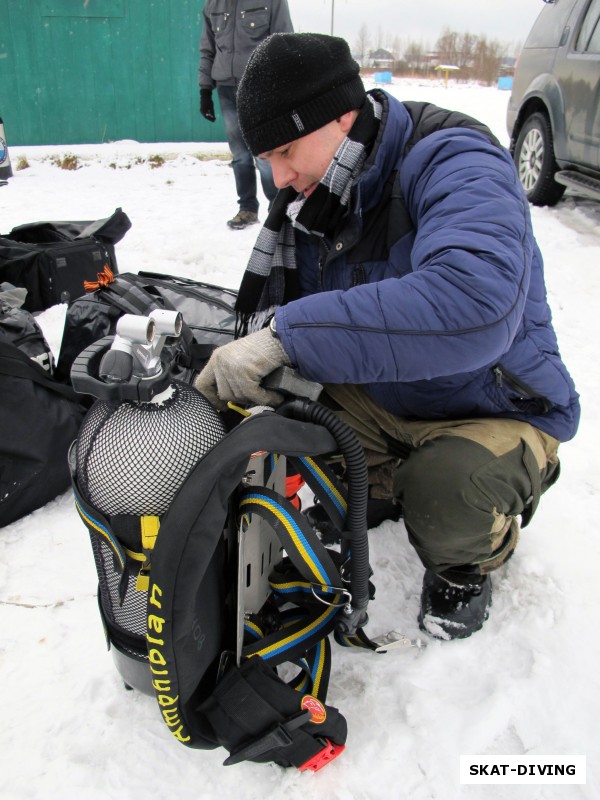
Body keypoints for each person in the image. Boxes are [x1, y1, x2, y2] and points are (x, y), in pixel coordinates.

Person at [195, 33, 580, 640]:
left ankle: (475, 550)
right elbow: (298, 313)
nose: (279, 178)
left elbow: (472, 305)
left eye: (288, 149)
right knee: (275, 411)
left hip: (488, 404)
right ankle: (378, 477)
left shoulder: (456, 159)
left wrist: (287, 337)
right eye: (264, 157)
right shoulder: (317, 197)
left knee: (444, 493)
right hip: (385, 395)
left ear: (342, 117)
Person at [198, 1, 293, 229]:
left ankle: (277, 209)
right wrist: (204, 90)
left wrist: (280, 89)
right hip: (226, 88)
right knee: (239, 154)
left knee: (266, 153)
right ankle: (248, 208)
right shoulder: (213, 4)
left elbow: (284, 42)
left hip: (259, 86)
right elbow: (207, 49)